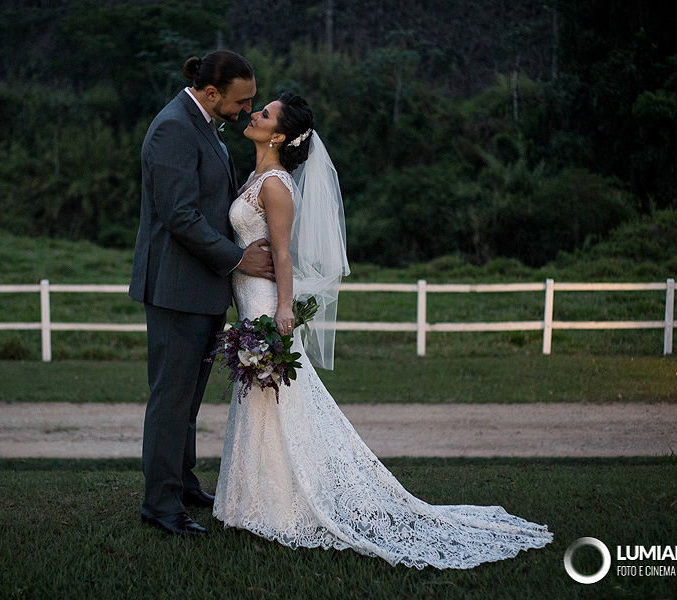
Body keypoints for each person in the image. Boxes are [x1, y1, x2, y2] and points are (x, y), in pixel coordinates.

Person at [212, 92, 554, 568]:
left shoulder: (275, 186)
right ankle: (250, 501)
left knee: (273, 398)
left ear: (280, 135)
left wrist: (285, 308)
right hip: (248, 300)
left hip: (267, 304)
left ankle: (279, 507)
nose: (254, 114)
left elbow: (284, 254)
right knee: (261, 399)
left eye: (265, 114)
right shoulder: (253, 177)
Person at [129, 50, 274, 537]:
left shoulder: (205, 123)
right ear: (211, 92)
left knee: (187, 401)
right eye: (242, 101)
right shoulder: (173, 128)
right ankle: (160, 504)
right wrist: (238, 259)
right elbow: (180, 216)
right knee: (171, 401)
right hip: (176, 289)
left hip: (203, 288)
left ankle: (182, 483)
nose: (247, 109)